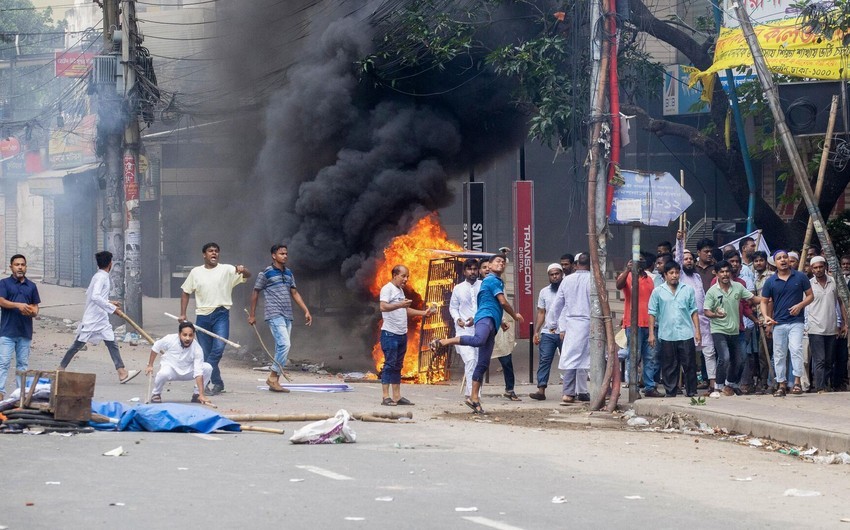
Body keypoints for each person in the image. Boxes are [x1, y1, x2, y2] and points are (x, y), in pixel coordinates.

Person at [431, 254, 524, 414]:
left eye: (503, 262)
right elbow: (502, 302)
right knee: (476, 347)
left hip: (488, 323)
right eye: (497, 261)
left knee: (482, 363)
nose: (501, 264)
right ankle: (444, 342)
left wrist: (500, 321)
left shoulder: (487, 283)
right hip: (480, 322)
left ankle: (474, 398)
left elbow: (489, 303)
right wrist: (514, 315)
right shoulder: (490, 280)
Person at [179, 242, 251, 396]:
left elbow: (247, 276)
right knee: (207, 352)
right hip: (202, 317)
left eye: (216, 251)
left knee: (218, 349)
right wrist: (183, 314)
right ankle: (217, 383)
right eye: (210, 251)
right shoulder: (196, 272)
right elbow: (186, 292)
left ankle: (202, 381)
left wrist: (243, 270)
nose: (214, 254)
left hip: (221, 314)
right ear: (204, 254)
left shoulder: (227, 269)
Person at [59, 251, 139, 383]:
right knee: (77, 344)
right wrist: (113, 309)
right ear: (110, 264)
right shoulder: (101, 277)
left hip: (101, 318)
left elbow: (95, 296)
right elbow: (95, 297)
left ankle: (122, 372)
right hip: (92, 318)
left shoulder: (99, 276)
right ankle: (60, 369)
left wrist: (109, 303)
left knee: (111, 343)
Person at [248, 244, 312, 393]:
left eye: (286, 254)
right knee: (285, 344)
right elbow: (255, 292)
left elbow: (294, 293)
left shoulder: (289, 273)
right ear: (273, 255)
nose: (285, 256)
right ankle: (272, 377)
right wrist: (252, 315)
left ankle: (275, 381)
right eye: (281, 253)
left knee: (280, 347)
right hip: (274, 313)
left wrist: (306, 310)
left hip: (287, 315)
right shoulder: (265, 273)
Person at [379, 264, 435, 406]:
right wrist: (400, 305)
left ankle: (397, 396)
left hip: (401, 334)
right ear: (395, 275)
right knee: (389, 365)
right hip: (389, 334)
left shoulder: (399, 291)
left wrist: (424, 313)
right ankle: (386, 397)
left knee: (398, 365)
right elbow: (383, 306)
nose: (406, 279)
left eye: (407, 276)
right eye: (403, 276)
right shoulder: (387, 289)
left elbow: (405, 310)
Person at [704, 260, 761, 397]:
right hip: (718, 329)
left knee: (740, 359)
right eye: (722, 272)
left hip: (735, 329)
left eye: (727, 271)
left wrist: (768, 298)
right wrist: (716, 315)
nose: (725, 274)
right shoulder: (712, 291)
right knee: (725, 357)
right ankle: (717, 386)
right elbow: (706, 311)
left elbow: (753, 299)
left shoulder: (738, 287)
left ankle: (730, 384)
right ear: (716, 273)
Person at [760, 250, 814, 397]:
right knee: (779, 354)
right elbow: (764, 302)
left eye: (785, 257)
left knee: (796, 349)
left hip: (796, 321)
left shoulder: (800, 276)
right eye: (779, 258)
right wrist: (766, 317)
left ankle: (796, 382)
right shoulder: (770, 282)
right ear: (775, 263)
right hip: (778, 322)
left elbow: (810, 296)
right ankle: (781, 384)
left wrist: (800, 305)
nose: (783, 260)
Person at [649, 260, 701, 397]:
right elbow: (652, 313)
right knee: (669, 365)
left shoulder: (687, 289)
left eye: (677, 273)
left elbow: (694, 311)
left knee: (689, 363)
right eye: (671, 273)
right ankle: (670, 391)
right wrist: (651, 334)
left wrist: (697, 331)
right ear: (665, 275)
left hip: (686, 332)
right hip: (667, 333)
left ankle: (691, 391)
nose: (674, 276)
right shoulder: (658, 292)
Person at [616, 253, 661, 397]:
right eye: (637, 260)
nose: (640, 263)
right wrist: (628, 270)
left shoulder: (650, 280)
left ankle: (649, 387)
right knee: (633, 356)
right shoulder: (627, 277)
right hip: (633, 324)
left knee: (650, 357)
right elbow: (618, 285)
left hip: (650, 324)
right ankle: (633, 387)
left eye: (642, 260)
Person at [550, 253, 591, 403]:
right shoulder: (594, 279)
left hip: (572, 323)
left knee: (571, 358)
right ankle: (601, 391)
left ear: (576, 264)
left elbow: (557, 305)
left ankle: (568, 393)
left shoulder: (567, 280)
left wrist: (553, 324)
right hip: (590, 323)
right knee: (595, 358)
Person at [0, 254, 41, 399]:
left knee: (22, 366)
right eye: (17, 264)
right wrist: (18, 305)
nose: (20, 267)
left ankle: (20, 397)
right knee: (3, 364)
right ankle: (0, 393)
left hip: (25, 332)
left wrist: (32, 312)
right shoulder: (4, 283)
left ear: (26, 267)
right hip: (7, 332)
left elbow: (36, 308)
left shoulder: (31, 286)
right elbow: (2, 301)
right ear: (11, 267)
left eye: (22, 265)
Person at [675, 232, 712, 391]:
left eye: (690, 259)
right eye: (686, 259)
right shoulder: (680, 275)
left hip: (703, 320)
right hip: (686, 321)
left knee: (709, 352)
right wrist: (679, 241)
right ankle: (686, 385)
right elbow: (677, 258)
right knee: (687, 355)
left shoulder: (696, 276)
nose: (688, 261)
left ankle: (713, 384)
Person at [146, 322, 213, 405]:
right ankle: (156, 393)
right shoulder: (170, 339)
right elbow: (156, 346)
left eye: (190, 335)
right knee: (163, 373)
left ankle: (197, 395)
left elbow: (198, 372)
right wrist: (150, 365)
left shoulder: (197, 349)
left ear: (194, 335)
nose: (187, 338)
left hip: (188, 371)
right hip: (171, 369)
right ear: (179, 334)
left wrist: (202, 394)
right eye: (185, 335)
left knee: (207, 368)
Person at [806, 256, 847, 392]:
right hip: (814, 327)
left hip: (831, 327)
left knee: (829, 360)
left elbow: (840, 303)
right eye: (815, 267)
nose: (818, 270)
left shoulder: (834, 282)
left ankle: (826, 385)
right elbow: (805, 305)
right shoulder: (808, 284)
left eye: (820, 267)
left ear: (825, 267)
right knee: (820, 359)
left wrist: (845, 323)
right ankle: (820, 386)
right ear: (812, 269)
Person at [530, 263, 564, 400]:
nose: (555, 276)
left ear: (561, 274)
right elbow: (541, 312)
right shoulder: (544, 292)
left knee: (568, 361)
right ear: (548, 276)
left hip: (564, 332)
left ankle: (571, 390)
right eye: (552, 274)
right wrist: (536, 331)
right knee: (544, 360)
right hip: (548, 332)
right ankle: (541, 390)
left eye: (557, 274)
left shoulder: (567, 289)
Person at [449, 258, 480, 398]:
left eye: (475, 269)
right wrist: (458, 319)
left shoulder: (483, 286)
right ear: (464, 271)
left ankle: (471, 393)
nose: (472, 272)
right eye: (469, 269)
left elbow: (486, 307)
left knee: (478, 363)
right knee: (470, 360)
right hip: (463, 331)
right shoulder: (458, 288)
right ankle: (474, 395)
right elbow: (453, 308)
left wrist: (477, 318)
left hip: (480, 330)